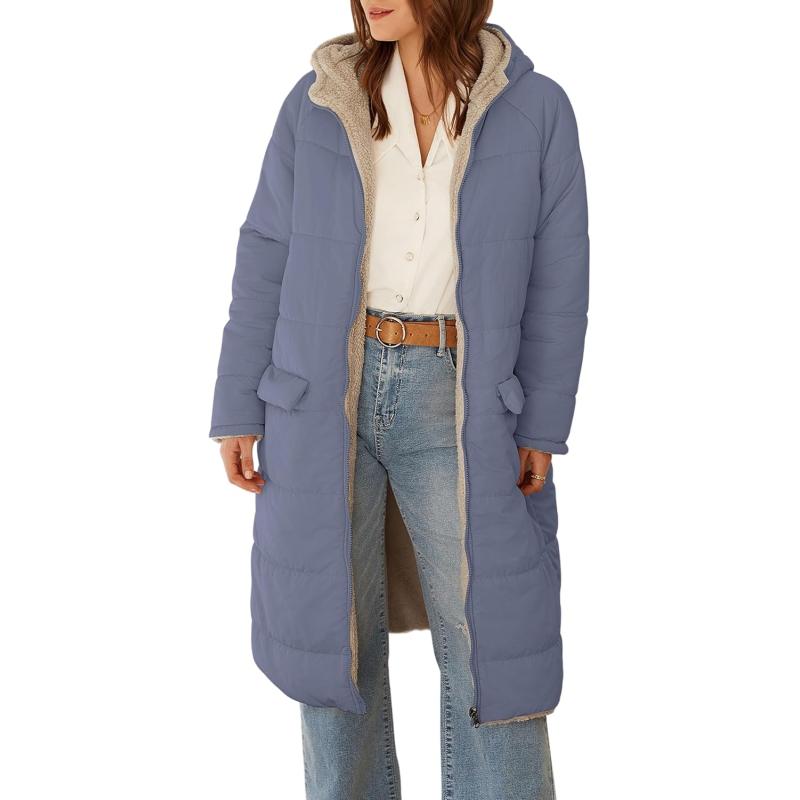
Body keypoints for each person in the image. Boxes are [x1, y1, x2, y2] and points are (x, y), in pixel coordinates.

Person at [210, 2, 589, 797]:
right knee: (332, 645)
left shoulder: (534, 107)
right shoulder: (321, 99)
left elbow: (560, 278)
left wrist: (543, 425)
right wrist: (239, 403)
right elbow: (266, 252)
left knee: (491, 648)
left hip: (462, 398)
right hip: (321, 395)